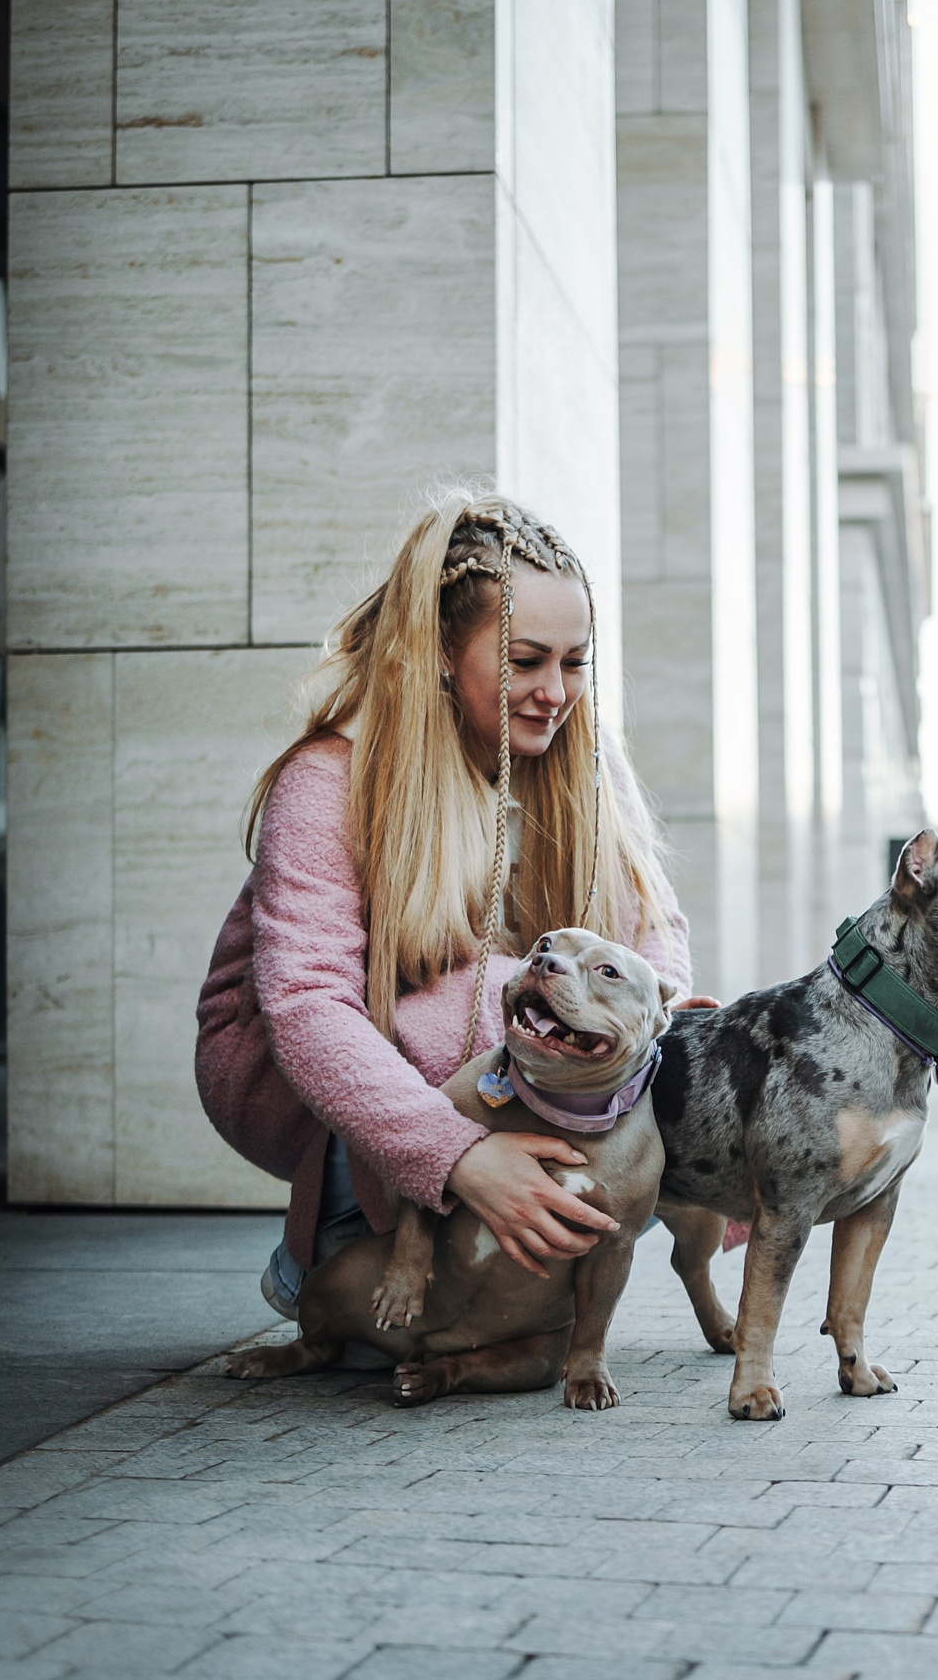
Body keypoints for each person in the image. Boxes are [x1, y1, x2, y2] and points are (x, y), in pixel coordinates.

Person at [195, 492, 704, 1350]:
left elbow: (650, 932)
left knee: (671, 1042)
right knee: (489, 989)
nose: (555, 693)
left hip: (511, 1063)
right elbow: (309, 1004)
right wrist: (457, 1155)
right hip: (297, 1077)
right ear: (437, 652)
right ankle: (341, 1238)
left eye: (574, 663)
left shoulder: (586, 759)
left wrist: (660, 1019)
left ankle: (507, 1263)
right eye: (526, 661)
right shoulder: (329, 782)